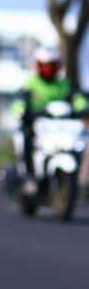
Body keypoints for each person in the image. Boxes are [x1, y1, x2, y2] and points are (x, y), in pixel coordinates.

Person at [11, 46, 87, 193]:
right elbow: (19, 101)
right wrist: (21, 110)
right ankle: (29, 176)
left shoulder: (64, 84)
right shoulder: (31, 83)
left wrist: (83, 107)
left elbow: (77, 99)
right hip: (36, 123)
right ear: (38, 66)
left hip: (58, 125)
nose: (48, 69)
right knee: (26, 137)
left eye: (51, 66)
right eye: (45, 66)